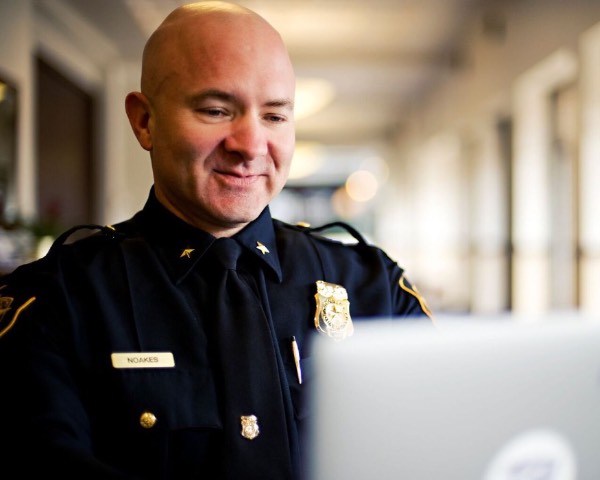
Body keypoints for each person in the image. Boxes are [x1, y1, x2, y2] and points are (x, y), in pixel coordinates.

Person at [0, 2, 432, 479]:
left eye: (274, 116)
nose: (250, 145)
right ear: (145, 121)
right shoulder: (56, 303)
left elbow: (448, 445)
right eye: (215, 110)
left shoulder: (374, 287)